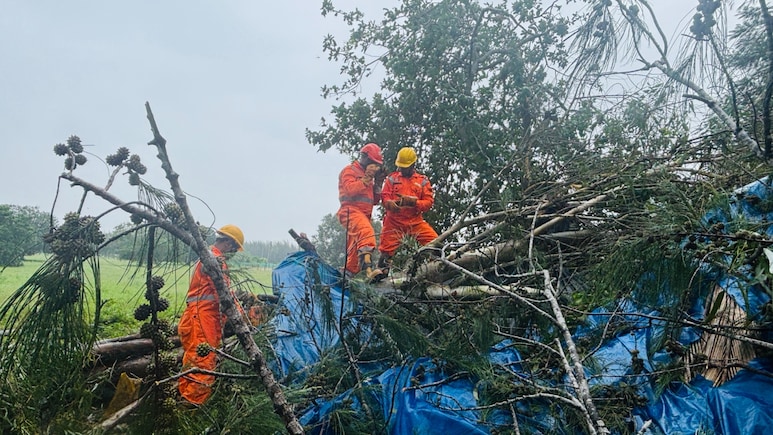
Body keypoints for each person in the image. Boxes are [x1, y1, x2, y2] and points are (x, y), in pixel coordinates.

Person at [178, 224, 245, 405]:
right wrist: (240, 316)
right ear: (229, 244)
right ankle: (192, 407)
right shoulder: (215, 261)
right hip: (203, 318)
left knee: (192, 359)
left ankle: (183, 400)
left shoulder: (209, 257)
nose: (233, 253)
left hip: (196, 317)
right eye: (234, 249)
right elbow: (223, 294)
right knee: (204, 362)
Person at [374, 147, 438, 280]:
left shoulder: (422, 181)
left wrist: (414, 202)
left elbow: (428, 203)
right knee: (386, 251)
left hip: (415, 222)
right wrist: (389, 204)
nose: (401, 169)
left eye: (405, 167)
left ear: (413, 165)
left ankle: (438, 269)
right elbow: (384, 197)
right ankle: (380, 275)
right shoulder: (392, 179)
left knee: (436, 243)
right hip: (394, 222)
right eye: (400, 166)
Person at [337, 142, 385, 279]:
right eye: (373, 163)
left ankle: (348, 274)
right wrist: (367, 178)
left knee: (354, 249)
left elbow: (375, 201)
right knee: (366, 233)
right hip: (350, 211)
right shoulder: (349, 171)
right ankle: (368, 271)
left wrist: (378, 183)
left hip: (364, 215)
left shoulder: (368, 176)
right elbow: (350, 190)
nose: (374, 167)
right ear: (364, 158)